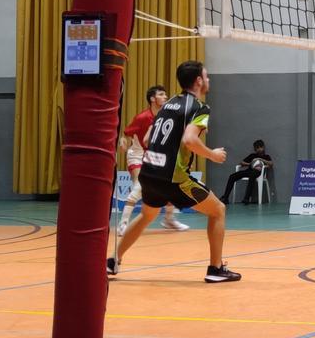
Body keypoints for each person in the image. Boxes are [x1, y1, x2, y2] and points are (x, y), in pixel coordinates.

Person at [108, 61, 240, 282]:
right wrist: (212, 155)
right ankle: (216, 269)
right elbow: (190, 140)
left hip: (149, 172)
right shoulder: (199, 107)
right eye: (206, 77)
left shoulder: (168, 104)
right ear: (198, 81)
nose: (208, 81)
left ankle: (113, 260)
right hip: (174, 178)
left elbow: (149, 138)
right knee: (218, 210)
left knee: (147, 215)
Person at [116, 85, 190, 235]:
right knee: (139, 186)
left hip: (153, 156)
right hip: (137, 155)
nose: (165, 97)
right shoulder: (143, 117)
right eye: (161, 94)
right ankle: (123, 224)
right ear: (152, 99)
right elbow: (126, 133)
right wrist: (122, 141)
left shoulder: (166, 115)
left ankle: (169, 219)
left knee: (168, 184)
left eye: (165, 94)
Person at [220, 139, 274, 205]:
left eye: (261, 147)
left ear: (263, 147)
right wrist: (250, 163)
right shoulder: (252, 155)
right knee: (232, 176)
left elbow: (271, 164)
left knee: (252, 175)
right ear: (255, 149)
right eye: (257, 148)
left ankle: (246, 198)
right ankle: (225, 198)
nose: (259, 149)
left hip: (258, 173)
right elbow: (242, 162)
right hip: (248, 171)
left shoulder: (266, 156)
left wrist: (260, 159)